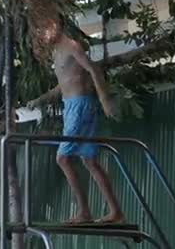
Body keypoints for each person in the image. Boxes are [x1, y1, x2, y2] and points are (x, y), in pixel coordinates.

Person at [28, 34, 125, 224]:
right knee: (90, 161)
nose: (42, 33)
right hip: (72, 106)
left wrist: (104, 99)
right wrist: (40, 99)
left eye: (46, 25)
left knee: (62, 158)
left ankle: (84, 212)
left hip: (80, 105)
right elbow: (64, 84)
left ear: (57, 23)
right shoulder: (58, 52)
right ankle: (116, 212)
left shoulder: (71, 46)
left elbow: (93, 69)